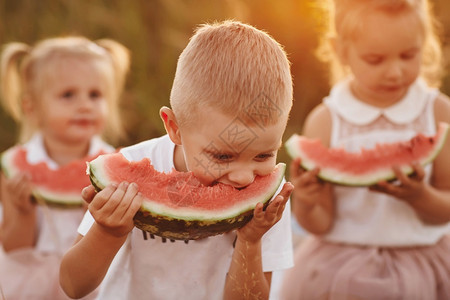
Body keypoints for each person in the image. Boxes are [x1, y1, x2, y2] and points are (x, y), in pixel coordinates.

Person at [60, 20, 294, 300]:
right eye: (222, 156)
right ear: (174, 128)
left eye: (264, 155)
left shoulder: (268, 203)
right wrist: (107, 233)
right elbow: (73, 286)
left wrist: (251, 240)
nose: (244, 177)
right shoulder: (129, 171)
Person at [280, 0, 450, 299]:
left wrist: (420, 197)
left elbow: (446, 208)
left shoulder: (437, 114)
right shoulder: (326, 121)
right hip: (341, 267)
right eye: (376, 59)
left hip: (424, 264)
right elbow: (320, 224)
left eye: (409, 55)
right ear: (342, 51)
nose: (395, 72)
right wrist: (306, 204)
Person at [0, 36, 130, 299]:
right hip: (31, 286)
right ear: (32, 107)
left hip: (93, 286)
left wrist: (100, 224)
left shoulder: (115, 164)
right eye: (68, 95)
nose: (84, 105)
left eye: (95, 95)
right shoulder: (15, 167)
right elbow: (14, 249)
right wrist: (21, 212)